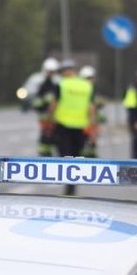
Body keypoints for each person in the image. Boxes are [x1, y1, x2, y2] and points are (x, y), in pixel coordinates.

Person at [48, 59, 96, 195]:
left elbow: (53, 105)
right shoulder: (86, 85)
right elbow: (91, 108)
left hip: (62, 126)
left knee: (65, 156)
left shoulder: (61, 84)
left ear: (63, 72)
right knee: (75, 157)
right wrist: (92, 128)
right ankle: (71, 188)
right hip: (81, 127)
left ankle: (68, 185)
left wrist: (49, 120)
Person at [32, 57, 60, 156]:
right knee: (45, 141)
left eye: (52, 72)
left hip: (57, 120)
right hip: (45, 120)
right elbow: (36, 104)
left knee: (56, 141)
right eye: (49, 71)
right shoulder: (42, 85)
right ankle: (45, 157)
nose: (50, 74)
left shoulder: (58, 85)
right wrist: (45, 101)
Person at [78, 65, 105, 157]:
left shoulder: (94, 90)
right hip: (82, 122)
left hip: (91, 122)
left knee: (92, 146)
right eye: (88, 78)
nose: (90, 80)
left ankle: (92, 162)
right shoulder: (81, 91)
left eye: (91, 78)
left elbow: (97, 106)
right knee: (83, 147)